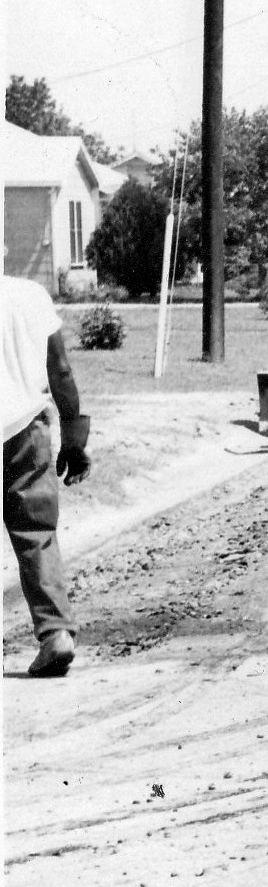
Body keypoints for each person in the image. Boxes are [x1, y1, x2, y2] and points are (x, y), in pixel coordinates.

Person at [1, 272, 91, 678]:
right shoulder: (30, 294)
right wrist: (74, 439)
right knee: (36, 532)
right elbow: (61, 370)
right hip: (25, 430)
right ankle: (55, 632)